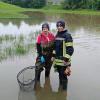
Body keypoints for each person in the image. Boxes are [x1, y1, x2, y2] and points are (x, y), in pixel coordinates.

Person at [53, 20, 74, 90]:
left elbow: (70, 49)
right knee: (60, 75)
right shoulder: (57, 34)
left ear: (63, 26)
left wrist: (66, 59)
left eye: (61, 26)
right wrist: (53, 56)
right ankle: (61, 89)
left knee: (64, 76)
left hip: (64, 62)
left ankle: (64, 91)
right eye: (58, 26)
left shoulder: (67, 35)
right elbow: (55, 47)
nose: (59, 27)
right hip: (58, 61)